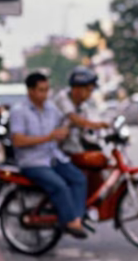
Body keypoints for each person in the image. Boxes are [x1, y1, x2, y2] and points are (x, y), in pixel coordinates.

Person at [9, 72, 88, 239]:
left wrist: (64, 130)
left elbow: (64, 122)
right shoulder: (19, 111)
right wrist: (48, 137)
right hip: (32, 162)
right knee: (59, 185)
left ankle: (76, 219)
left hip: (53, 157)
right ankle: (69, 221)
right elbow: (17, 140)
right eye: (40, 90)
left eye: (47, 90)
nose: (44, 94)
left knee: (79, 179)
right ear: (30, 91)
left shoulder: (51, 108)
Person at [54, 66, 109, 156]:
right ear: (77, 89)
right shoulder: (63, 98)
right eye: (88, 90)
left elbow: (90, 122)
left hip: (76, 147)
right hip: (59, 150)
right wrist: (98, 125)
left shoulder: (82, 106)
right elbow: (75, 119)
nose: (90, 94)